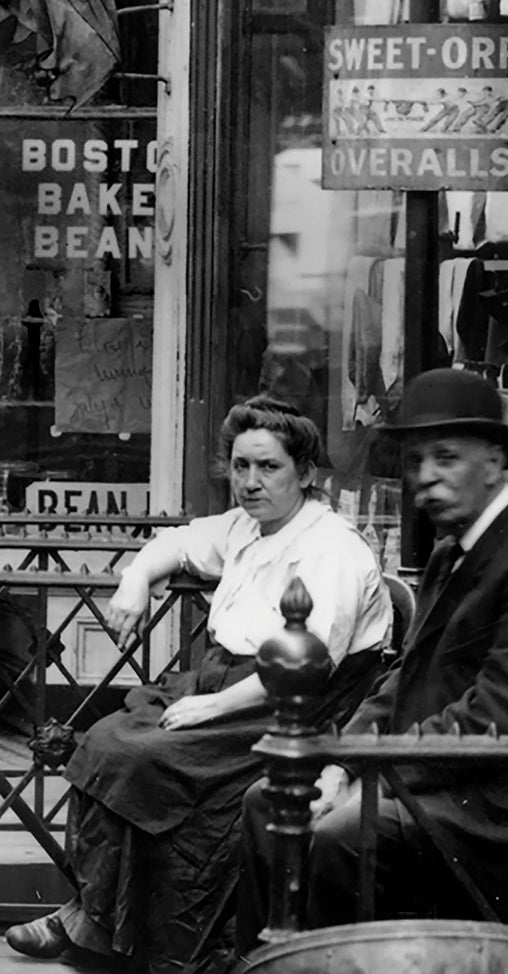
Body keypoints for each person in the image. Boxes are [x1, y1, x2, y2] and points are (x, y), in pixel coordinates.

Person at [5, 396, 392, 973]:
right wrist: (136, 580)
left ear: (306, 473)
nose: (250, 482)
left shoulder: (331, 548)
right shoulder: (246, 526)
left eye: (269, 467)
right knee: (108, 738)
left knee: (139, 757)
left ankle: (122, 933)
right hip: (224, 684)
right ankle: (96, 919)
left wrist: (213, 705)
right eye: (240, 466)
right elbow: (178, 543)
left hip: (289, 706)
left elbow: (305, 666)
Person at [237, 369, 508, 954]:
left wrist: (370, 774)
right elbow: (403, 682)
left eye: (446, 458)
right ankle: (275, 965)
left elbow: (498, 717)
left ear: (493, 462)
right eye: (417, 461)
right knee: (270, 800)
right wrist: (341, 762)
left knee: (342, 834)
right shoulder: (452, 552)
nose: (427, 479)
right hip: (443, 780)